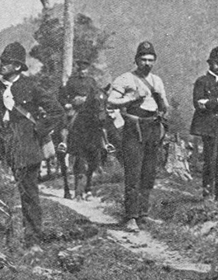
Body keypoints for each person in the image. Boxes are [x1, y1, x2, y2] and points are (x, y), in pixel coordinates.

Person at [0, 42, 65, 240]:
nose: (2, 65)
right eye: (2, 61)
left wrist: (38, 129)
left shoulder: (31, 87)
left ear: (17, 66)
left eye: (7, 62)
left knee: (29, 195)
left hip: (26, 147)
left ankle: (33, 238)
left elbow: (57, 111)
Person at [107, 41, 170, 232]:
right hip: (134, 128)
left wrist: (161, 104)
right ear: (136, 60)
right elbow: (110, 101)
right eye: (143, 59)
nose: (147, 63)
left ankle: (143, 214)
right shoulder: (125, 79)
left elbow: (165, 106)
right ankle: (131, 216)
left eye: (151, 60)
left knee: (149, 173)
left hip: (152, 128)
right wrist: (131, 98)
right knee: (133, 172)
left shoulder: (157, 80)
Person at [59, 57, 109, 200]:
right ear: (77, 69)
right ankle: (64, 142)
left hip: (89, 109)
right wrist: (69, 102)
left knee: (101, 124)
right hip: (75, 108)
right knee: (67, 122)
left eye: (85, 69)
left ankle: (106, 143)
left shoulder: (92, 82)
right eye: (80, 69)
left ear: (88, 70)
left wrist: (88, 101)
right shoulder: (72, 81)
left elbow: (96, 95)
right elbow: (64, 95)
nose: (83, 71)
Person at [190, 46, 218, 201]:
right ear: (210, 63)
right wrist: (216, 101)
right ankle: (208, 191)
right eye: (216, 62)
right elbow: (198, 102)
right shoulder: (202, 82)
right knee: (210, 159)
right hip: (209, 125)